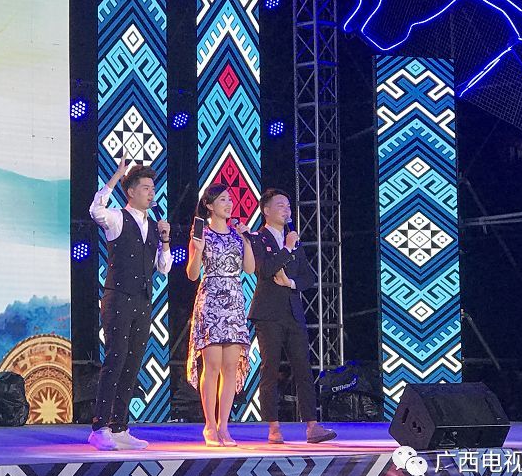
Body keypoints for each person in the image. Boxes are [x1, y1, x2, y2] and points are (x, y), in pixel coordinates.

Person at [87, 157, 172, 451]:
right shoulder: (117, 218)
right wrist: (116, 177)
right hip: (118, 298)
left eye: (153, 188)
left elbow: (164, 268)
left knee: (133, 362)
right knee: (115, 359)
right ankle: (99, 427)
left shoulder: (154, 225)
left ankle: (120, 426)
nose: (151, 192)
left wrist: (165, 240)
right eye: (146, 188)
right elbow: (95, 210)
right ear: (132, 191)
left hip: (143, 301)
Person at [248, 188, 336, 445]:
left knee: (303, 368)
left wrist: (291, 283)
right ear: (266, 210)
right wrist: (286, 249)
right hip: (268, 313)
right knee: (270, 368)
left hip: (293, 312)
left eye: (288, 206)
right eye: (280, 205)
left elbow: (309, 277)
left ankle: (312, 425)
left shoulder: (294, 240)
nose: (286, 210)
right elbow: (264, 270)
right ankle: (273, 427)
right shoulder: (258, 238)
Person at [185, 185, 256, 447]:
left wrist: (247, 239)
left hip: (234, 299)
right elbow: (192, 274)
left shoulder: (238, 235)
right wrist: (198, 249)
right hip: (211, 299)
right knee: (212, 365)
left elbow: (250, 269)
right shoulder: (201, 233)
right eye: (222, 199)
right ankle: (210, 426)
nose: (229, 203)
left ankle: (225, 426)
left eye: (230, 199)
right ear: (209, 205)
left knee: (230, 367)